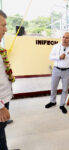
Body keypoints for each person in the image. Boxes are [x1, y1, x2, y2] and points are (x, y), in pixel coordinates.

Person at [0, 10, 18, 150]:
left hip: (4, 98)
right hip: (0, 104)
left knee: (1, 129)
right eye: (2, 25)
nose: (5, 30)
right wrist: (0, 108)